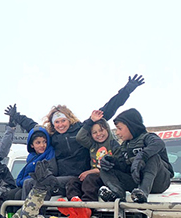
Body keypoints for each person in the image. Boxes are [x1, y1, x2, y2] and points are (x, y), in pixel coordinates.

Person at [8, 74, 145, 197]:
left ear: (69, 119)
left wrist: (127, 89)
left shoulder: (81, 129)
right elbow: (33, 127)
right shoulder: (52, 135)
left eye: (63, 121)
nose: (61, 125)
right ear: (52, 123)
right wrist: (16, 116)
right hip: (60, 177)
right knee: (30, 184)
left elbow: (107, 110)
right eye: (57, 122)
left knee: (46, 183)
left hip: (80, 176)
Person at [99, 108, 174, 203]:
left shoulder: (148, 137)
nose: (117, 133)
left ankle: (142, 193)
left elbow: (159, 144)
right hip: (137, 181)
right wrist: (110, 161)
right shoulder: (124, 146)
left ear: (131, 126)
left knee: (153, 157)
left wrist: (142, 156)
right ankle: (117, 194)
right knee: (105, 168)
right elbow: (123, 166)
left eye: (120, 128)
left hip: (159, 182)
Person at [15, 126, 56, 200]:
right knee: (11, 194)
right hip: (27, 184)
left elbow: (51, 171)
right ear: (31, 145)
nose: (42, 145)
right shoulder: (31, 157)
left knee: (23, 188)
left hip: (41, 185)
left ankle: (25, 211)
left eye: (44, 142)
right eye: (38, 143)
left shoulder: (50, 153)